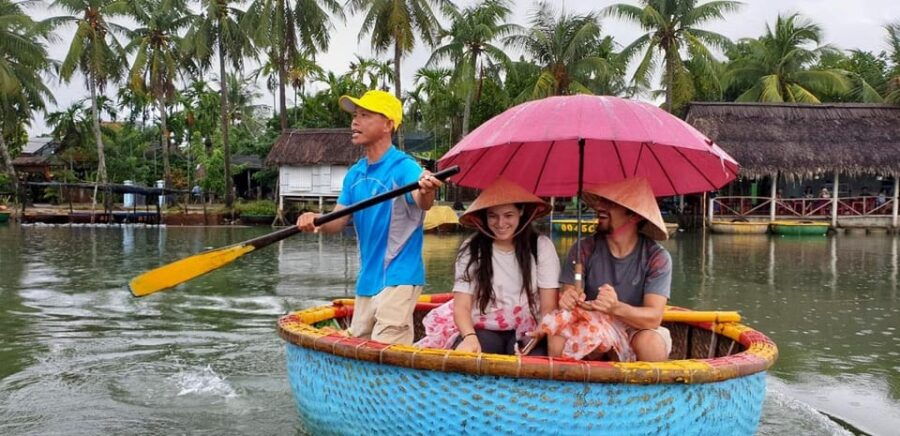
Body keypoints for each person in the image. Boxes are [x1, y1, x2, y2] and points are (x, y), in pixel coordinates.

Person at [296, 90, 442, 345]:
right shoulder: (355, 174)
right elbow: (337, 221)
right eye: (355, 116)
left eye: (365, 115)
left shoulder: (403, 166)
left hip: (400, 277)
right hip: (367, 280)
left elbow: (422, 200)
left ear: (388, 125)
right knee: (359, 346)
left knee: (387, 349)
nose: (355, 122)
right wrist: (315, 220)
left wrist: (427, 190)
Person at [415, 179, 562, 355]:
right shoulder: (472, 248)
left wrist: (540, 330)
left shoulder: (541, 246)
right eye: (493, 216)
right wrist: (469, 337)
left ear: (521, 212)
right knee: (467, 357)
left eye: (508, 215)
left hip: (529, 328)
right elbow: (462, 306)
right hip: (483, 328)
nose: (500, 223)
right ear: (484, 216)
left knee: (535, 361)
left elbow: (548, 305)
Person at [557, 177, 673, 362]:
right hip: (592, 324)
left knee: (650, 343)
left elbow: (653, 318)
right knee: (577, 338)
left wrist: (615, 308)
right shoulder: (583, 250)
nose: (600, 207)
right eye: (601, 200)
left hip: (636, 327)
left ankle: (653, 391)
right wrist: (569, 297)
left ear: (634, 215)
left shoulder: (656, 257)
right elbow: (570, 292)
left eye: (610, 203)